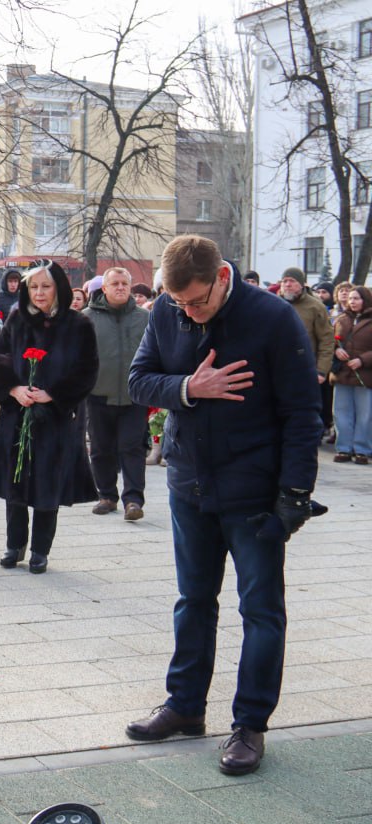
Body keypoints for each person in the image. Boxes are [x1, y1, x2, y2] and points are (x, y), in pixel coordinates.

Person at [126, 235, 322, 776]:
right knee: (193, 600)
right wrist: (190, 387)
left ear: (221, 278)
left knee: (260, 610)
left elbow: (303, 413)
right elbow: (139, 381)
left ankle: (250, 724)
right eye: (178, 303)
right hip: (189, 483)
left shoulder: (273, 318)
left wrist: (295, 494)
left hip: (254, 491)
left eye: (197, 301)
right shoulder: (166, 311)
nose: (188, 312)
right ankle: (185, 706)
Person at [0, 261, 99, 573]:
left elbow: (87, 370)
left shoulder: (78, 324)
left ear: (58, 288)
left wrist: (54, 394)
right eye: (33, 287)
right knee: (15, 482)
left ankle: (40, 549)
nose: (39, 293)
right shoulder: (17, 319)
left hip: (56, 417)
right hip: (18, 413)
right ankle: (14, 544)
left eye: (46, 286)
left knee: (48, 483)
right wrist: (13, 388)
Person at [84, 266, 151, 521]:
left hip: (135, 395)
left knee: (132, 448)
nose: (120, 287)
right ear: (104, 288)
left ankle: (133, 500)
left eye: (124, 283)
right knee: (101, 448)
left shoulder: (144, 318)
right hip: (98, 394)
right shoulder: (87, 318)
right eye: (115, 284)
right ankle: (107, 496)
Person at [278, 267, 336, 443]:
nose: (288, 285)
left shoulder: (315, 306)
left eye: (292, 281)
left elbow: (326, 340)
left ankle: (307, 440)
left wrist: (321, 370)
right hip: (278, 367)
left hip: (305, 368)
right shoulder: (273, 303)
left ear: (302, 284)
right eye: (285, 281)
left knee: (304, 410)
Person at [332, 285, 372, 464]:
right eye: (350, 299)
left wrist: (363, 360)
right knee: (341, 412)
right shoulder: (341, 319)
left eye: (356, 298)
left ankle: (362, 449)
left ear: (365, 300)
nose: (352, 302)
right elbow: (330, 341)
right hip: (343, 372)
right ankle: (343, 448)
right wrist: (336, 350)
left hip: (365, 375)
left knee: (365, 414)